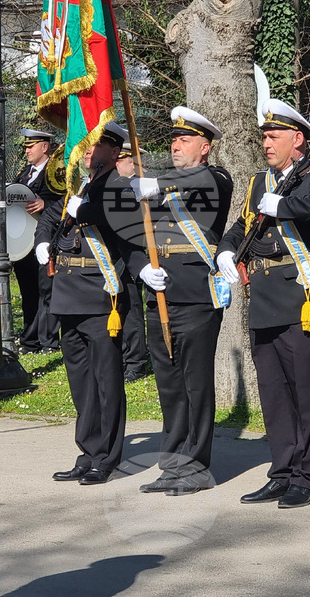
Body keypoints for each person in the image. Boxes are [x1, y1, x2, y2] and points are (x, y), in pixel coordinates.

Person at [217, 99, 310, 509]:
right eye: (264, 137)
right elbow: (242, 226)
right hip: (264, 298)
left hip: (301, 297)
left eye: (274, 137)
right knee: (273, 394)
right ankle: (282, 472)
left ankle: (306, 477)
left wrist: (285, 206)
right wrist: (225, 250)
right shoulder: (260, 182)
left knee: (305, 392)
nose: (267, 144)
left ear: (298, 139)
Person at [130, 106, 233, 496]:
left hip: (195, 298)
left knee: (195, 385)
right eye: (173, 140)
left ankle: (196, 466)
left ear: (204, 147)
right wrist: (141, 267)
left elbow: (200, 181)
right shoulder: (162, 187)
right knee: (169, 386)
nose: (175, 146)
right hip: (160, 295)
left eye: (184, 140)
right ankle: (173, 463)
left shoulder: (215, 178)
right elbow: (134, 235)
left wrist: (155, 183)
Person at [34, 122, 132, 485]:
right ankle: (88, 451)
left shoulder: (120, 186)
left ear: (115, 151)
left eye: (97, 143)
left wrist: (86, 211)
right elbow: (50, 214)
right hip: (68, 295)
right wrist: (42, 240)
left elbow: (122, 217)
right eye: (87, 142)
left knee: (106, 381)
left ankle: (107, 457)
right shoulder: (80, 185)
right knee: (81, 382)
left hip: (99, 295)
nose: (88, 149)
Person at [13, 129, 62, 354]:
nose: (27, 150)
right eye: (25, 146)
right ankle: (30, 339)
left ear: (45, 146)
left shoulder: (58, 173)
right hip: (23, 243)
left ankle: (48, 341)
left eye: (31, 146)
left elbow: (69, 203)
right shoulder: (24, 173)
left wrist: (46, 205)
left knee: (46, 291)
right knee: (28, 292)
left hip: (46, 240)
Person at [116, 142, 148, 382]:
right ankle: (122, 357)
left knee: (132, 311)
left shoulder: (139, 188)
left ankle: (136, 362)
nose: (116, 164)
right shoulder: (110, 186)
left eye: (121, 159)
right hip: (112, 257)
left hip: (132, 257)